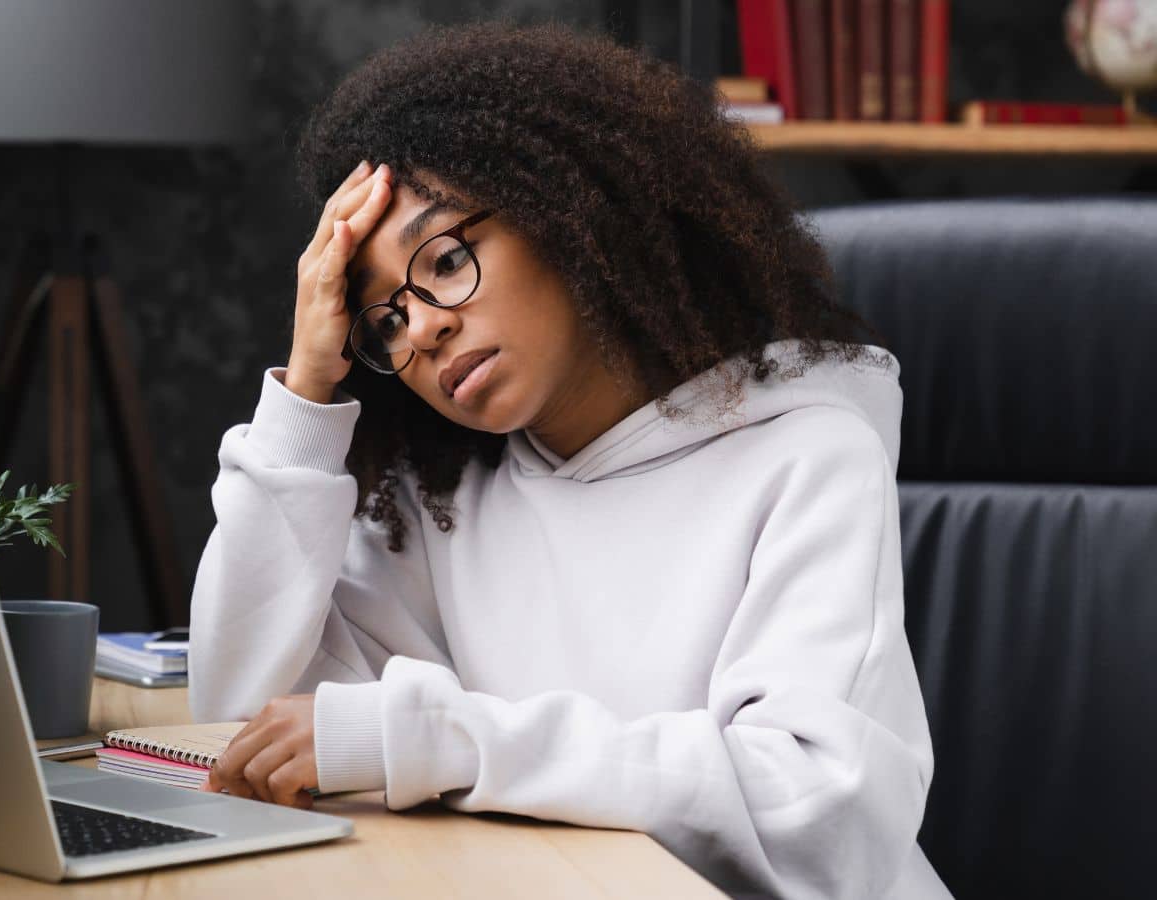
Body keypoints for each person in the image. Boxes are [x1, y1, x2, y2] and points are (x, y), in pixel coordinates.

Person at [188, 20, 950, 900]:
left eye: (444, 258)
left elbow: (816, 810)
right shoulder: (440, 499)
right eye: (384, 321)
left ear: (567, 212)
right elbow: (243, 717)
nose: (426, 325)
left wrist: (442, 742)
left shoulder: (805, 455)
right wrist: (305, 397)